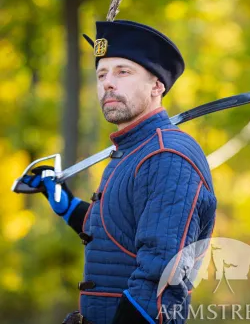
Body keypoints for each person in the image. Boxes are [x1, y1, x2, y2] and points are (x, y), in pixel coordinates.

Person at [21, 19, 217, 324]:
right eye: (101, 74)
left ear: (157, 85)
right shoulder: (132, 151)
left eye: (123, 72)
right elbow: (116, 234)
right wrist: (64, 202)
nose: (107, 83)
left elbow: (159, 281)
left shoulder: (166, 155)